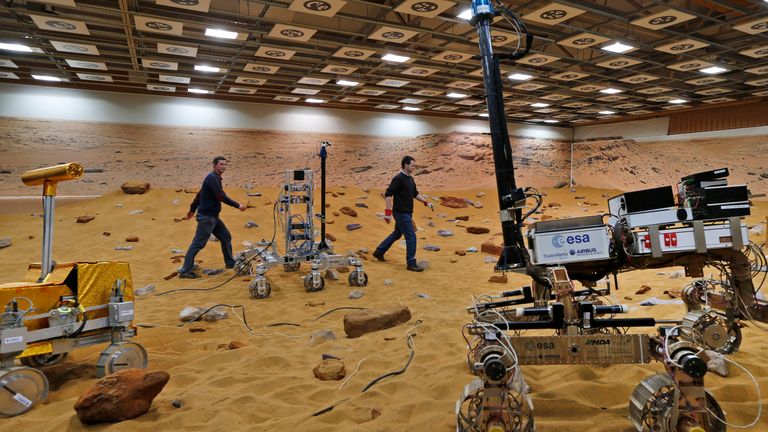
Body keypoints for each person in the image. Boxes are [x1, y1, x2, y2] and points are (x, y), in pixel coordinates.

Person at [178, 156, 246, 278]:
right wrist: (237, 205)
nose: (223, 167)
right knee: (198, 243)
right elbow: (220, 196)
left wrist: (192, 210)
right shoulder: (212, 178)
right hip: (207, 218)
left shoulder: (214, 178)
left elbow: (199, 195)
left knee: (225, 237)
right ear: (214, 165)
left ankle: (230, 263)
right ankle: (185, 270)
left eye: (225, 164)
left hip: (213, 217)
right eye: (221, 164)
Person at [372, 155, 434, 272]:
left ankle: (379, 251)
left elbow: (415, 194)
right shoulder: (398, 178)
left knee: (397, 234)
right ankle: (411, 263)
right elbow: (388, 195)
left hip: (407, 213)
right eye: (412, 165)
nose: (414, 168)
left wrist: (426, 203)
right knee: (411, 237)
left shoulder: (410, 179)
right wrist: (387, 212)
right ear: (406, 165)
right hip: (400, 213)